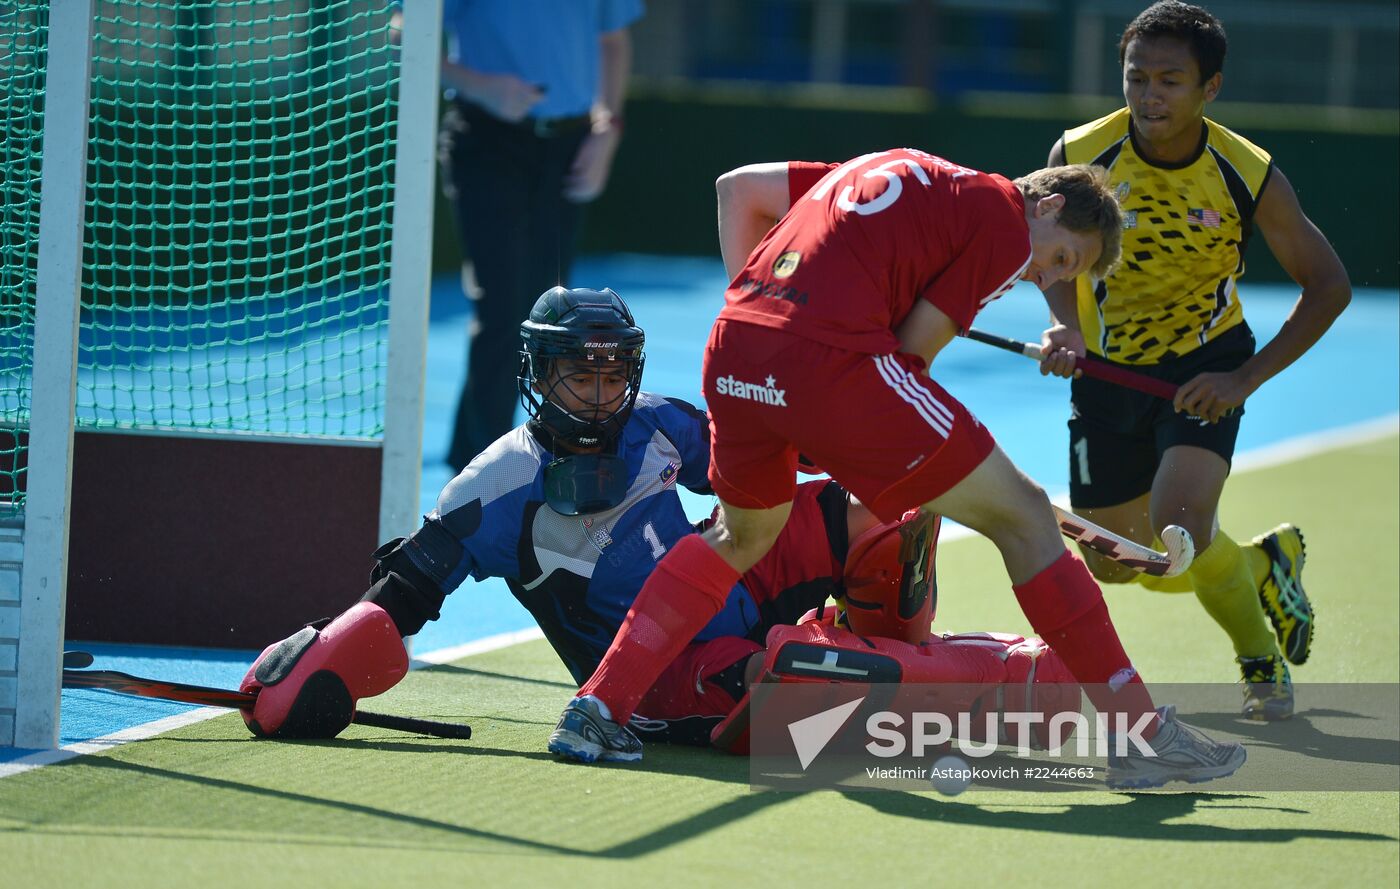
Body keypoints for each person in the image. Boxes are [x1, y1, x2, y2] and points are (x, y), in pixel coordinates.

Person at [549, 148, 1248, 790]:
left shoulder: (885, 169)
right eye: (1063, 258)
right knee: (1027, 516)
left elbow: (739, 188)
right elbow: (913, 353)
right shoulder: (1004, 221)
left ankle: (597, 708)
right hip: (831, 363)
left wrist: (792, 365)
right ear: (1048, 204)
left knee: (741, 536)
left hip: (736, 343)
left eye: (1064, 276)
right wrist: (844, 421)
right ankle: (1141, 734)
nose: (1046, 278)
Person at [235, 286, 1076, 755]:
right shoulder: (496, 485)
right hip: (666, 674)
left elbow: (788, 461)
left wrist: (926, 463)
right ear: (538, 375)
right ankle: (1006, 679)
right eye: (580, 374)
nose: (600, 394)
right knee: (801, 679)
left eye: (613, 375)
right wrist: (314, 668)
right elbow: (401, 598)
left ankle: (905, 658)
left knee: (885, 512)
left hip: (737, 582)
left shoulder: (660, 422)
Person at [1037, 1, 1350, 721]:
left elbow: (1328, 285)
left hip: (1204, 369)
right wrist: (1065, 328)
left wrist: (1242, 379)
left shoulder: (1246, 173)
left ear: (1210, 88)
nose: (1149, 95)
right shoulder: (1082, 157)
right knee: (1118, 563)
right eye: (1136, 77)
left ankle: (1259, 658)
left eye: (1170, 81)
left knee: (1179, 524)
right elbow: (1045, 256)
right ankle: (1263, 565)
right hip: (1106, 371)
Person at [438, 0, 643, 472]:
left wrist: (607, 130)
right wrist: (483, 86)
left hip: (571, 145)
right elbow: (402, 35)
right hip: (487, 140)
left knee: (548, 315)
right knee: (502, 309)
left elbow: (613, 41)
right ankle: (484, 473)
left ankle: (486, 455)